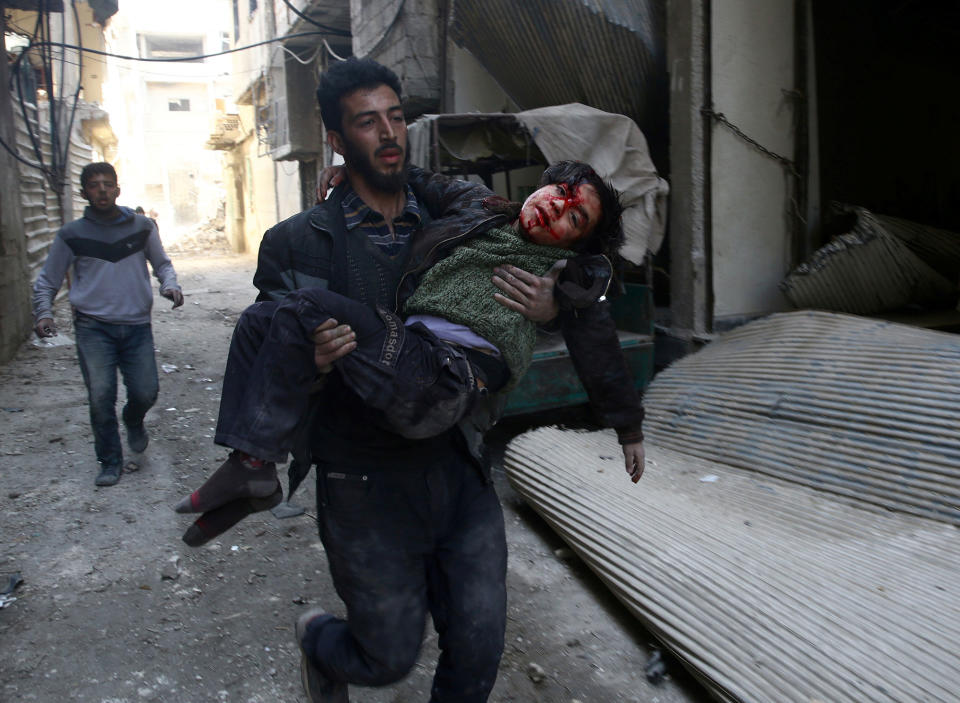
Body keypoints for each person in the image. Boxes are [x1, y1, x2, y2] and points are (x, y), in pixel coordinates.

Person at [189, 57, 643, 703]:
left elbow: (575, 298)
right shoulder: (296, 242)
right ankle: (321, 640)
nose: (389, 133)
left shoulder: (455, 221)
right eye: (367, 123)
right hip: (362, 477)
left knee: (479, 643)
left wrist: (556, 307)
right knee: (387, 654)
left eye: (396, 117)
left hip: (458, 459)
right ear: (338, 141)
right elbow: (272, 348)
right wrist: (315, 363)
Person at [175, 159, 635, 544]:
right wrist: (362, 170)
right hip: (408, 349)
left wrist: (626, 425)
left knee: (304, 308)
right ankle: (250, 465)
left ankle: (255, 468)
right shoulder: (480, 206)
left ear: (578, 241)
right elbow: (420, 177)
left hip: (450, 377)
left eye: (575, 218)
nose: (557, 208)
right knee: (261, 319)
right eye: (562, 191)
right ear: (545, 183)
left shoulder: (567, 270)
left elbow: (596, 307)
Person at [32, 162, 184, 486]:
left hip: (136, 325)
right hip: (92, 327)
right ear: (85, 192)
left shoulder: (143, 227)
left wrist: (170, 285)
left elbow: (162, 264)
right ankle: (110, 461)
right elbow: (48, 280)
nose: (102, 190)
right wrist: (43, 312)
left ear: (118, 189)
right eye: (94, 184)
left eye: (107, 184)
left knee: (146, 391)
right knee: (101, 396)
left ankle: (133, 418)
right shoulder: (71, 235)